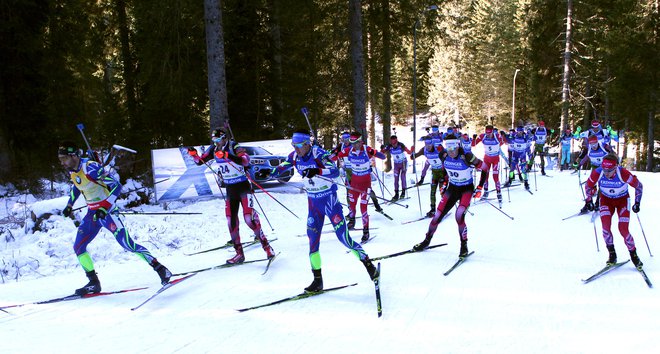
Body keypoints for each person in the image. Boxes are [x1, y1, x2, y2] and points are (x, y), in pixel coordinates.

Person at [270, 130, 379, 292]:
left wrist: (317, 170)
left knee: (344, 239)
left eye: (299, 145)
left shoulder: (318, 154)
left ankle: (370, 266)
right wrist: (268, 173)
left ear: (307, 144)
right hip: (313, 205)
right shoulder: (294, 156)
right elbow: (280, 168)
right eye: (294, 145)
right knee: (313, 243)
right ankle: (317, 280)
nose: (296, 148)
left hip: (330, 202)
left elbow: (334, 171)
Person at [58, 141, 172, 295]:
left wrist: (104, 207)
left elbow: (117, 186)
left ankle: (161, 269)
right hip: (92, 214)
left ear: (74, 156)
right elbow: (77, 186)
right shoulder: (72, 170)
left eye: (64, 158)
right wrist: (69, 205)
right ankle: (93, 282)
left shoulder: (91, 168)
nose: (62, 162)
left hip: (108, 212)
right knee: (78, 247)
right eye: (60, 159)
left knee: (127, 244)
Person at [189, 128, 275, 264]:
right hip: (230, 189)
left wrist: (227, 156)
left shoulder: (233, 146)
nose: (215, 142)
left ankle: (267, 247)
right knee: (231, 222)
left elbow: (246, 160)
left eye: (218, 140)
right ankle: (239, 254)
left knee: (249, 220)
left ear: (224, 138)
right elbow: (200, 161)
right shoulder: (213, 149)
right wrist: (194, 155)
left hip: (243, 187)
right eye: (213, 140)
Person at [412, 135, 488, 257]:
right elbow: (445, 170)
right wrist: (444, 181)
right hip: (452, 189)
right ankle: (426, 241)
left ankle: (464, 246)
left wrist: (480, 187)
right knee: (436, 217)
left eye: (453, 146)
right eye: (448, 147)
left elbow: (485, 168)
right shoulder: (443, 155)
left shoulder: (467, 156)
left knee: (459, 216)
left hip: (466, 190)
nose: (451, 150)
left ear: (458, 145)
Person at [584, 153, 644, 269]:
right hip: (606, 200)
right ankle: (612, 254)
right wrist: (589, 200)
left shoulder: (623, 173)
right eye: (604, 169)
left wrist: (637, 203)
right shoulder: (598, 172)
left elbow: (639, 186)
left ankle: (634, 255)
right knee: (605, 227)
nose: (606, 173)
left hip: (622, 201)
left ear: (616, 167)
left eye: (609, 170)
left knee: (623, 229)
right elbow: (588, 185)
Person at [333, 132, 386, 241]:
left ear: (361, 141)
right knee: (352, 206)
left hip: (365, 185)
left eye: (356, 142)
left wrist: (376, 153)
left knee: (363, 209)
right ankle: (352, 222)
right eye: (352, 143)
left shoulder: (367, 149)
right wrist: (327, 157)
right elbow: (334, 157)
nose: (354, 145)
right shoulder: (348, 150)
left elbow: (383, 156)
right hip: (354, 185)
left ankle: (366, 231)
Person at [576, 134, 614, 214]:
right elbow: (587, 156)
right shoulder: (590, 148)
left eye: (595, 144)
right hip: (595, 167)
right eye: (591, 144)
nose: (593, 146)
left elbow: (612, 152)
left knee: (602, 185)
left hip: (604, 168)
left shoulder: (602, 145)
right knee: (589, 185)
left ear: (597, 142)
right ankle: (588, 203)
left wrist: (613, 161)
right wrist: (580, 164)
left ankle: (598, 203)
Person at [411, 137, 446, 217]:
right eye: (426, 145)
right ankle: (433, 209)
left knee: (442, 191)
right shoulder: (424, 150)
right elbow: (414, 157)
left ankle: (443, 209)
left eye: (429, 145)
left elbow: (447, 156)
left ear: (432, 144)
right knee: (432, 192)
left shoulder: (438, 148)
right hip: (434, 173)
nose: (428, 147)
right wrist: (412, 154)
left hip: (442, 172)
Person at [472, 125, 505, 202]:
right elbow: (473, 145)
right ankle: (486, 192)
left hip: (495, 159)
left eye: (489, 133)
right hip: (486, 158)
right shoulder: (483, 136)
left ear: (492, 131)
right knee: (485, 176)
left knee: (495, 177)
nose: (488, 135)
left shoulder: (497, 136)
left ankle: (499, 193)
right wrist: (474, 138)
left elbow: (505, 142)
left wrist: (503, 136)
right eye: (486, 133)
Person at [381, 135, 413, 201]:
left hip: (403, 162)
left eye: (395, 144)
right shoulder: (389, 147)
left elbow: (409, 152)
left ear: (397, 141)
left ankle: (403, 192)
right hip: (396, 164)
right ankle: (396, 194)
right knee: (396, 178)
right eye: (392, 144)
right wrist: (382, 149)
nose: (394, 145)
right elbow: (382, 152)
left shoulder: (401, 145)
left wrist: (412, 150)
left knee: (403, 177)